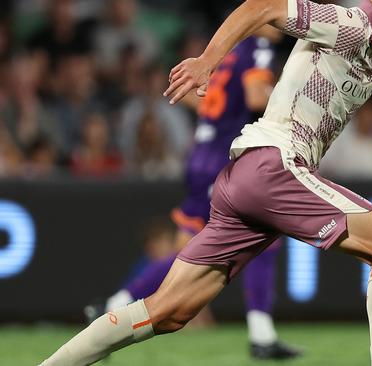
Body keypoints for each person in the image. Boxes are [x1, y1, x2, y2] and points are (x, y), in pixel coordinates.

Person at [40, 0, 372, 365]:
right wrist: (207, 61)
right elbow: (262, 6)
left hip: (243, 177)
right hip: (275, 163)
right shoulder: (346, 24)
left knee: (166, 312)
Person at [85, 26, 301, 359]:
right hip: (223, 160)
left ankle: (111, 307)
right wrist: (296, 98)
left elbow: (199, 97)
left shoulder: (232, 53)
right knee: (251, 240)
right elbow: (257, 97)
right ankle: (261, 334)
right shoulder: (257, 48)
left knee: (193, 250)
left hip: (202, 154)